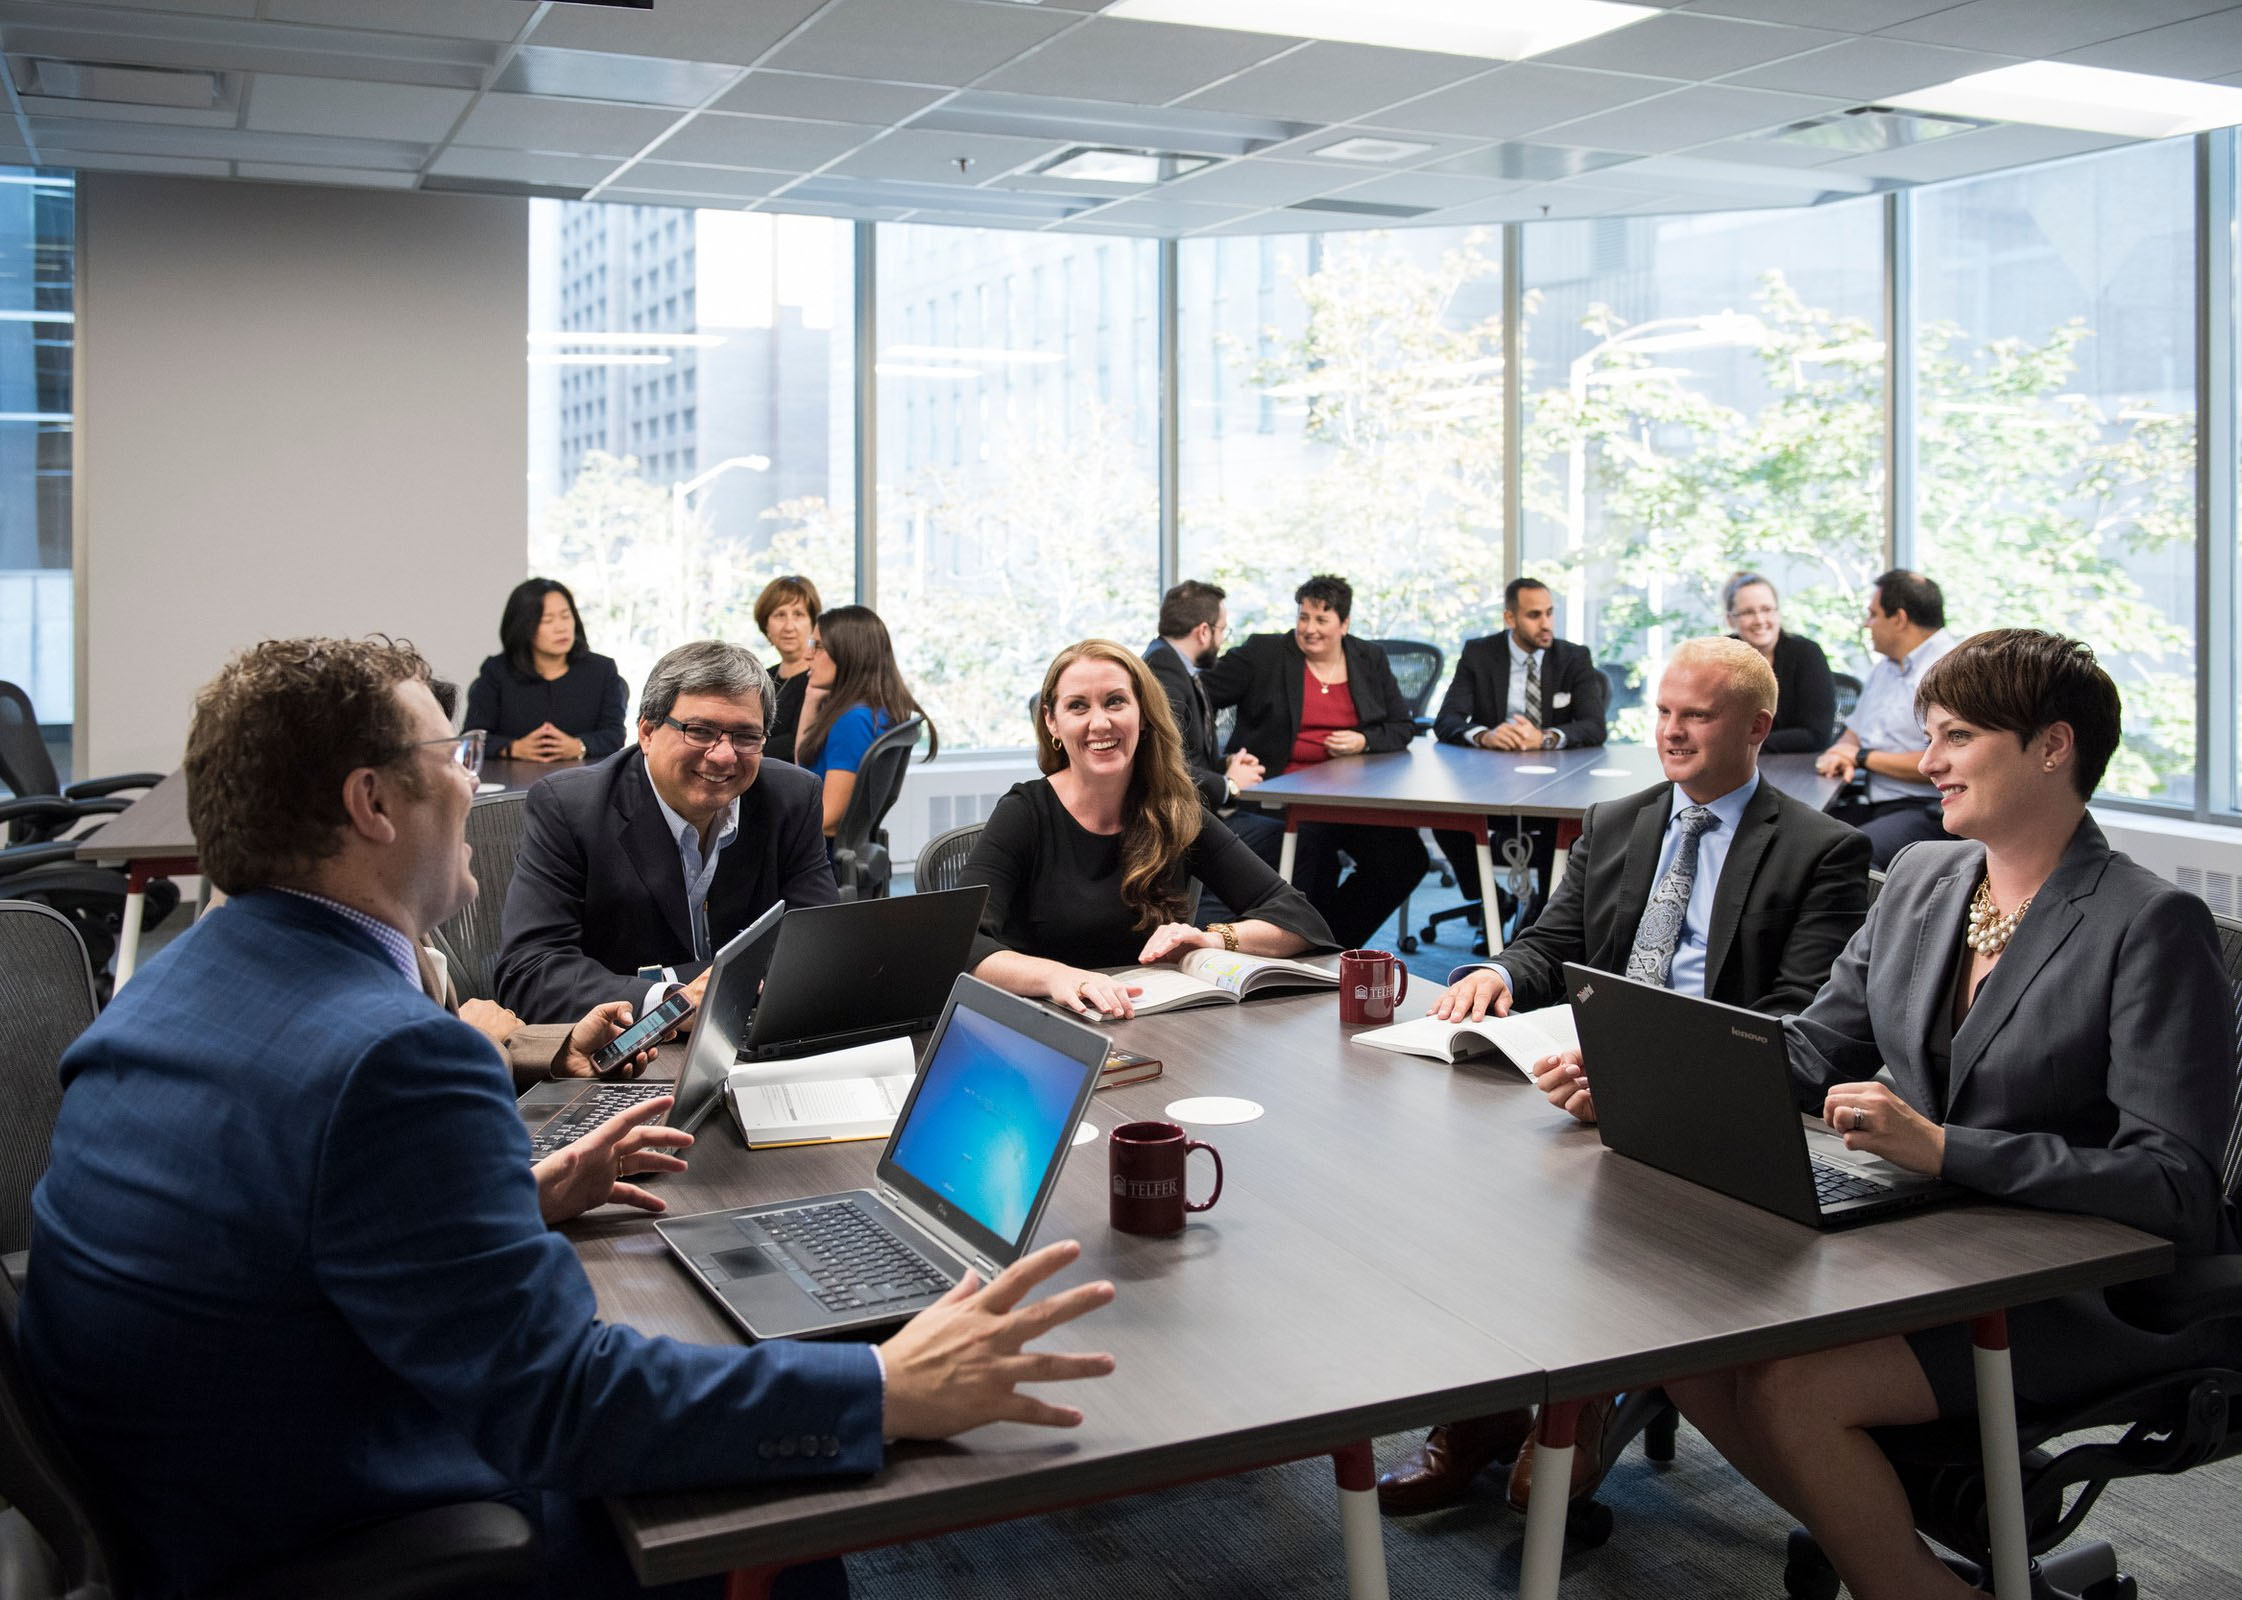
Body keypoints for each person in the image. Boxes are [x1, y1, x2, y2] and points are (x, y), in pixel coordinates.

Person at [14, 636, 1116, 1600]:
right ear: (371, 803)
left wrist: (509, 1199)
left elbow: (279, 1215)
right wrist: (887, 1387)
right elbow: (566, 1402)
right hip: (330, 1529)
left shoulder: (170, 980)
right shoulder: (396, 1055)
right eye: (453, 757)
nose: (472, 782)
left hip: (175, 1488)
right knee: (768, 1514)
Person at [1652, 630, 2236, 1600]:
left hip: (2082, 1289)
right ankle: (1902, 1564)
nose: (1925, 763)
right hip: (1928, 1253)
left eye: (1956, 736)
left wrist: (1942, 1146)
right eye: (1928, 734)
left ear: (2052, 747)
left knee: (1792, 1388)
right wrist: (1654, 1078)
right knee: (1690, 1349)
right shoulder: (1924, 878)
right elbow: (1808, 1052)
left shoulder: (2148, 924)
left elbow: (2173, 1183)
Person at [1377, 636, 1872, 1520]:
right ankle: (1484, 1415)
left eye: (1697, 716)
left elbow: (1801, 1030)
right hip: (1582, 1075)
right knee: (1442, 1185)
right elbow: (1553, 938)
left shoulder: (1821, 851)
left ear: (1757, 728)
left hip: (1708, 1113)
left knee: (1571, 1214)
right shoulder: (1621, 821)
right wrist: (1498, 972)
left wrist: (1651, 1081)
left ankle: (1580, 1403)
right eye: (1665, 714)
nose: (1672, 733)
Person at [962, 638, 1334, 1021]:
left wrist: (1212, 938)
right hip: (1048, 1025)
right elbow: (962, 943)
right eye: (1078, 706)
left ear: (1142, 714)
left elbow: (1298, 918)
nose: (1100, 722)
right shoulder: (1025, 813)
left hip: (1154, 1024)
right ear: (1052, 722)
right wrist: (1059, 976)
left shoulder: (1175, 810)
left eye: (1115, 702)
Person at [495, 639, 838, 1023]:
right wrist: (671, 1001)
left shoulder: (791, 797)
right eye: (700, 730)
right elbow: (530, 973)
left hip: (753, 1037)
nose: (724, 755)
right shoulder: (571, 808)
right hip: (627, 1051)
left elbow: (820, 946)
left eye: (745, 736)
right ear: (647, 732)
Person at [1201, 574, 1425, 949]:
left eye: (1321, 620)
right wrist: (1218, 763)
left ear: (1345, 624)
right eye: (1303, 617)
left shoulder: (1368, 658)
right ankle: (1304, 944)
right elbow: (1195, 695)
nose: (1309, 629)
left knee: (1406, 858)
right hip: (1279, 796)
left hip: (1350, 799)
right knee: (1315, 855)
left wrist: (1364, 740)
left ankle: (1329, 941)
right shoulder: (1266, 653)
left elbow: (1402, 727)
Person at [1431, 576, 1609, 932]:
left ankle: (1542, 919)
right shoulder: (1479, 654)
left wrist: (1543, 738)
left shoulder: (1573, 657)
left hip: (1556, 782)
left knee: (1561, 830)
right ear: (1510, 619)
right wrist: (1485, 735)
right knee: (1444, 820)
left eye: (1549, 613)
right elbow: (1446, 720)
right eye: (1533, 615)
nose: (1546, 624)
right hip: (1489, 782)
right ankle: (1493, 900)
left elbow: (1594, 726)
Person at [1818, 568, 1956, 868]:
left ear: (1900, 618)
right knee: (1797, 836)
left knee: (1846, 857)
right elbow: (1854, 731)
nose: (1868, 624)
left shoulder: (1950, 670)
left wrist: (1862, 757)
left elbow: (1947, 761)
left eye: (1873, 614)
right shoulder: (1885, 669)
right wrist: (1839, 752)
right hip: (1877, 801)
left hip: (1930, 807)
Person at [1141, 579, 1280, 869]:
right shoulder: (1164, 675)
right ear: (1203, 631)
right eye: (1222, 630)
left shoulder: (1174, 665)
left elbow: (1188, 752)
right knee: (1298, 840)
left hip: (1197, 810)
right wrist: (1230, 784)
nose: (1222, 640)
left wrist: (1227, 764)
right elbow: (1166, 767)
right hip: (1182, 826)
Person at [794, 604, 935, 840]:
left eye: (818, 646)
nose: (807, 655)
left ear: (849, 653)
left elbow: (827, 821)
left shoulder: (852, 721)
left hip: (818, 862)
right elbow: (803, 771)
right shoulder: (876, 711)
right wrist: (810, 699)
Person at [464, 578, 627, 763]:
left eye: (566, 616)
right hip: (513, 782)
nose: (561, 628)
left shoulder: (601, 670)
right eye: (547, 620)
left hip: (583, 780)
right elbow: (472, 738)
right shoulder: (497, 671)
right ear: (523, 627)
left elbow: (615, 734)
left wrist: (579, 746)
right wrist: (513, 748)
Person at [1723, 570, 1836, 753]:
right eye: (1748, 612)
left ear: (1778, 613)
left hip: (1797, 768)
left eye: (1767, 609)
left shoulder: (1807, 654)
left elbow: (1817, 735)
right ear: (1730, 619)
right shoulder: (1719, 657)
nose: (1759, 620)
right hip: (1733, 767)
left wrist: (1745, 743)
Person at [755, 573, 822, 766]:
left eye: (798, 614)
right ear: (766, 625)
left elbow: (800, 742)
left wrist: (747, 750)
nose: (788, 626)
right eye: (779, 615)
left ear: (813, 623)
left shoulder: (821, 679)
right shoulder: (761, 677)